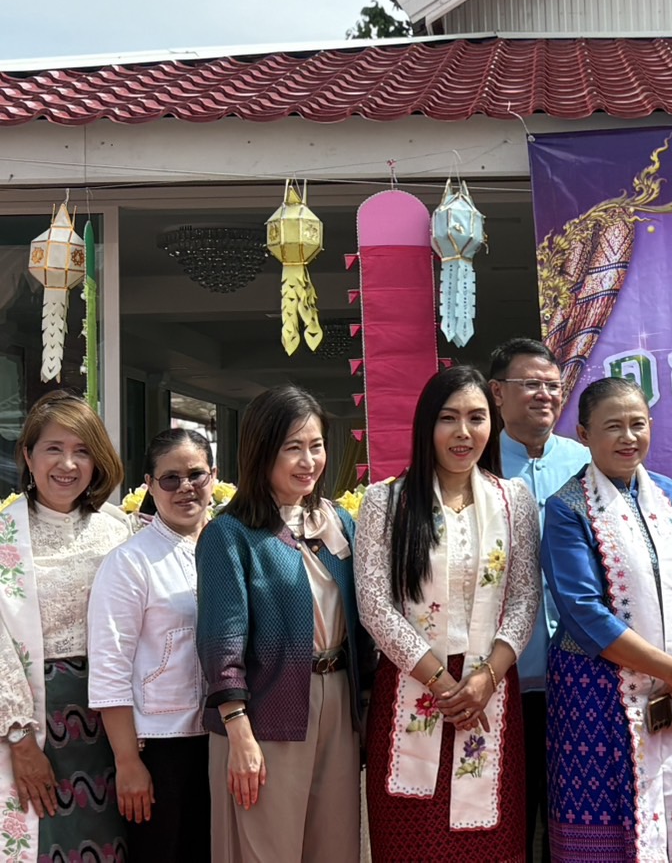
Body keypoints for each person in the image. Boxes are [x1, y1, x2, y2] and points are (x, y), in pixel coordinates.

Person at [355, 365, 541, 858]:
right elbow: (374, 604)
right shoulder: (385, 501)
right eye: (449, 418)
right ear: (426, 426)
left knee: (488, 842)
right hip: (413, 685)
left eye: (477, 418)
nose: (464, 432)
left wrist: (484, 680)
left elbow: (524, 597)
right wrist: (442, 683)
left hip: (491, 692)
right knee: (412, 840)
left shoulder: (514, 500)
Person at [540, 376, 672, 862]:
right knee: (608, 830)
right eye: (613, 427)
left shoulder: (671, 495)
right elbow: (584, 613)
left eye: (637, 424)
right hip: (597, 695)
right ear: (583, 434)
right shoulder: (567, 507)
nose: (628, 437)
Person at [195, 385, 374, 863]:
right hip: (265, 711)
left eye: (315, 446)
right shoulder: (229, 535)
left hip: (336, 697)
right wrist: (239, 733)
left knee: (334, 845)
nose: (308, 460)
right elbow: (221, 642)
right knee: (264, 847)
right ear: (261, 451)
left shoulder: (338, 522)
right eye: (292, 447)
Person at [0, 390, 131, 863]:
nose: (68, 464)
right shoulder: (3, 536)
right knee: (44, 838)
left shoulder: (118, 529)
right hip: (32, 715)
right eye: (54, 448)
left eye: (82, 451)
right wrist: (19, 738)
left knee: (112, 838)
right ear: (29, 455)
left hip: (112, 716)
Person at [88, 428, 216, 860]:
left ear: (214, 477)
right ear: (149, 485)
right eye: (170, 479)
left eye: (196, 474)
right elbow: (110, 669)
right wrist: (128, 762)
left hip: (220, 739)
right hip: (158, 747)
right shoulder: (130, 562)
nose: (185, 488)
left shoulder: (228, 549)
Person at [488, 337, 590, 863]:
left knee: (572, 822)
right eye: (531, 384)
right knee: (505, 820)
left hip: (578, 671)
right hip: (500, 677)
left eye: (553, 386)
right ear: (497, 393)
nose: (545, 395)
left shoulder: (585, 462)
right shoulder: (474, 464)